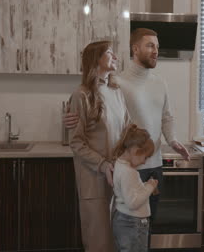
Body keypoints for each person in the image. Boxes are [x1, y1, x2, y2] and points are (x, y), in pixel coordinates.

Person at [65, 28, 190, 224]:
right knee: (125, 230)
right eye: (150, 45)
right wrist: (68, 117)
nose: (156, 50)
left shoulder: (159, 83)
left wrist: (172, 140)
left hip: (154, 164)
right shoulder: (117, 82)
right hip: (130, 166)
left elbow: (166, 117)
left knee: (148, 226)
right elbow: (89, 97)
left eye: (157, 46)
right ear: (135, 49)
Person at [69, 41, 130, 252]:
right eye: (110, 53)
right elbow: (76, 142)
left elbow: (126, 131)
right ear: (96, 59)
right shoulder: (81, 95)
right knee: (99, 242)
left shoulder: (117, 92)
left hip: (118, 177)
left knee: (117, 240)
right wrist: (103, 164)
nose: (116, 58)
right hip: (94, 178)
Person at [111, 124, 159, 252]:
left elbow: (128, 192)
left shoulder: (119, 164)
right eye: (145, 157)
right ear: (136, 151)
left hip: (123, 219)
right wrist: (149, 187)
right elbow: (133, 203)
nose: (145, 162)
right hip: (134, 223)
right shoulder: (129, 172)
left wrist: (143, 186)